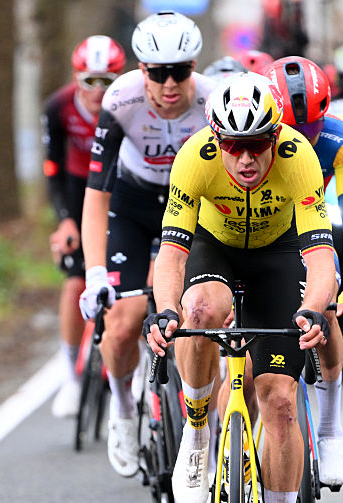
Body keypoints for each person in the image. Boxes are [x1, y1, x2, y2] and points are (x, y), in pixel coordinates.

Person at [144, 72, 337, 503]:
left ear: (275, 138)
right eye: (233, 146)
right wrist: (166, 308)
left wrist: (312, 308)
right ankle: (198, 431)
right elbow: (172, 256)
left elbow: (321, 257)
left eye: (256, 146)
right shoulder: (194, 158)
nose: (246, 159)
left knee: (280, 402)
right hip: (217, 247)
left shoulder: (298, 157)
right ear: (216, 140)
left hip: (278, 254)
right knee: (199, 312)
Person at [78, 11, 215, 477]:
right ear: (142, 71)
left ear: (194, 66)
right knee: (123, 322)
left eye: (180, 71)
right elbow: (96, 195)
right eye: (158, 73)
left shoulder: (213, 101)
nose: (169, 84)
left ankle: (202, 419)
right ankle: (122, 410)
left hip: (193, 207)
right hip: (133, 206)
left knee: (200, 313)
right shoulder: (120, 100)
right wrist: (95, 273)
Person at [264, 56, 343, 489]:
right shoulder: (252, 138)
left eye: (312, 127)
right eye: (293, 128)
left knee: (326, 309)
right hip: (260, 234)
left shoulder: (341, 140)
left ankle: (329, 430)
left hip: (310, 227)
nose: (304, 138)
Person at [43, 36, 127, 418]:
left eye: (107, 81)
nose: (97, 91)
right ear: (75, 78)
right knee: (75, 282)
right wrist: (64, 219)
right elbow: (52, 167)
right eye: (89, 80)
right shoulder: (58, 106)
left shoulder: (129, 105)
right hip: (80, 191)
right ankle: (71, 377)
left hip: (123, 187)